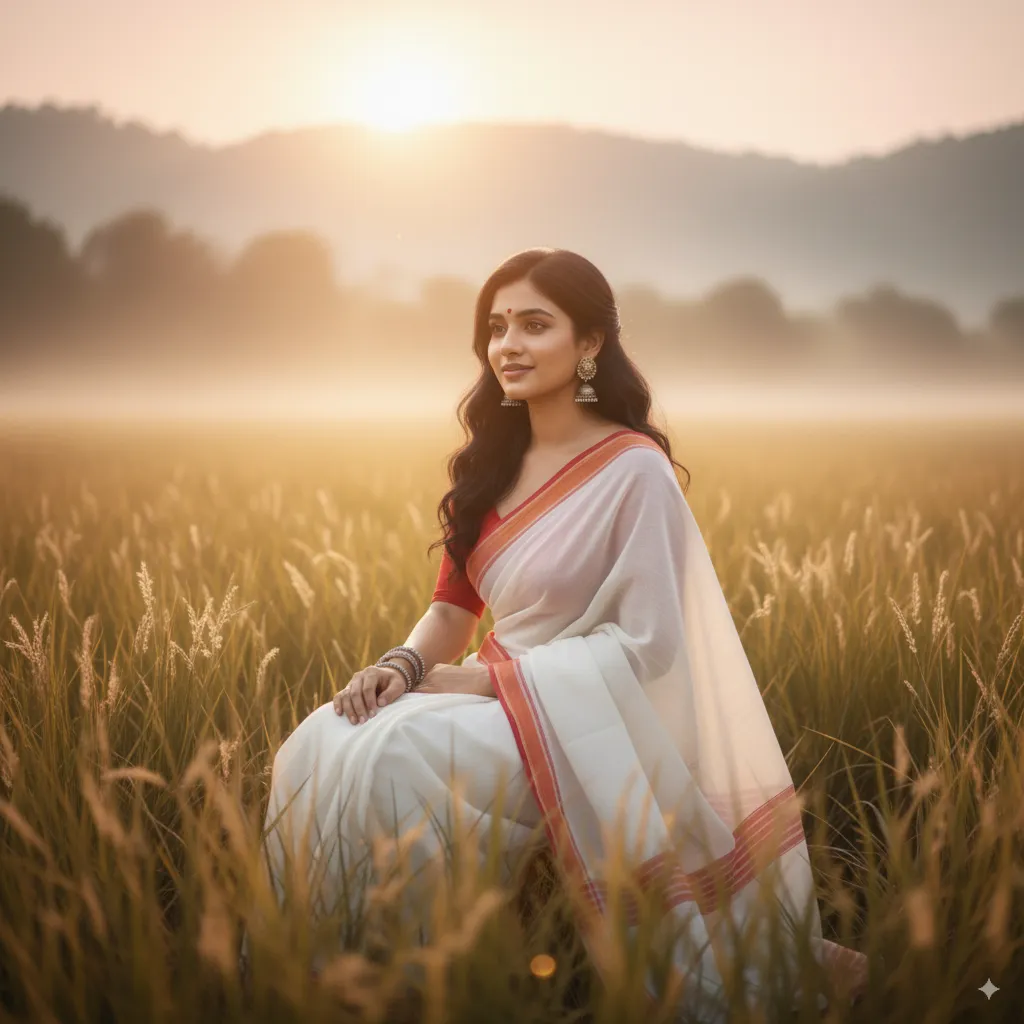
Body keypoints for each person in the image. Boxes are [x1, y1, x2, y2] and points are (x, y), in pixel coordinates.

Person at [256, 248, 868, 1019]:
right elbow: (453, 611)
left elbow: (651, 644)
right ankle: (322, 985)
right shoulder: (488, 464)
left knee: (394, 754)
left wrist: (483, 681)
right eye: (496, 326)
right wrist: (404, 665)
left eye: (535, 325)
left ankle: (418, 988)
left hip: (581, 719)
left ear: (590, 345)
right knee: (323, 739)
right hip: (498, 698)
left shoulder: (633, 470)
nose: (508, 344)